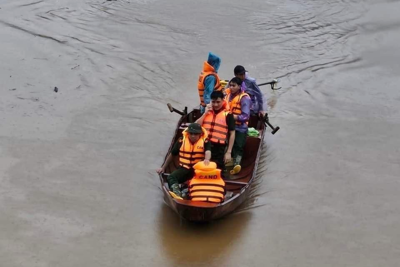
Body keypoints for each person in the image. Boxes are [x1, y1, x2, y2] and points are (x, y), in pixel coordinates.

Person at [156, 123, 211, 198]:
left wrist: (207, 159)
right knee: (171, 177)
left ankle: (188, 191)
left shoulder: (205, 141)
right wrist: (163, 167)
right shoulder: (181, 140)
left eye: (195, 134)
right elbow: (172, 154)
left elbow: (208, 151)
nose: (193, 136)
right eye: (191, 133)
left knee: (201, 183)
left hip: (197, 169)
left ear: (200, 134)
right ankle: (177, 193)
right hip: (184, 168)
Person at [195, 91, 236, 175]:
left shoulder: (228, 115)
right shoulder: (207, 111)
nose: (216, 105)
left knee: (217, 169)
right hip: (204, 144)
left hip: (218, 147)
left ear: (223, 101)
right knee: (200, 167)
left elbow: (232, 133)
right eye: (213, 102)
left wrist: (228, 152)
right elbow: (196, 126)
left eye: (218, 102)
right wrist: (205, 113)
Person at [224, 77, 251, 174]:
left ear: (239, 86)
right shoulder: (227, 95)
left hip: (240, 127)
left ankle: (236, 164)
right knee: (224, 145)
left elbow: (245, 116)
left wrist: (231, 117)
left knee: (238, 146)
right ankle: (226, 164)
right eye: (230, 85)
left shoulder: (245, 98)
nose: (231, 87)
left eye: (234, 86)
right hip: (227, 125)